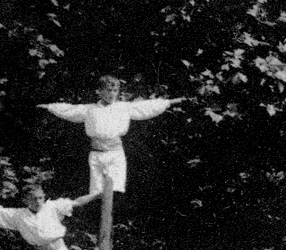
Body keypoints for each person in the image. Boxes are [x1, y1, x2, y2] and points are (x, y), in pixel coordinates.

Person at [39, 75, 184, 195]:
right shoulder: (89, 109)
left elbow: (147, 107)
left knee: (115, 190)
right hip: (96, 154)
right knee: (96, 192)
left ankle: (112, 226)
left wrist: (169, 102)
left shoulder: (123, 108)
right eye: (108, 90)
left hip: (115, 154)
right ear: (99, 91)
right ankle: (101, 226)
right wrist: (50, 107)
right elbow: (69, 110)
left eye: (115, 90)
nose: (112, 94)